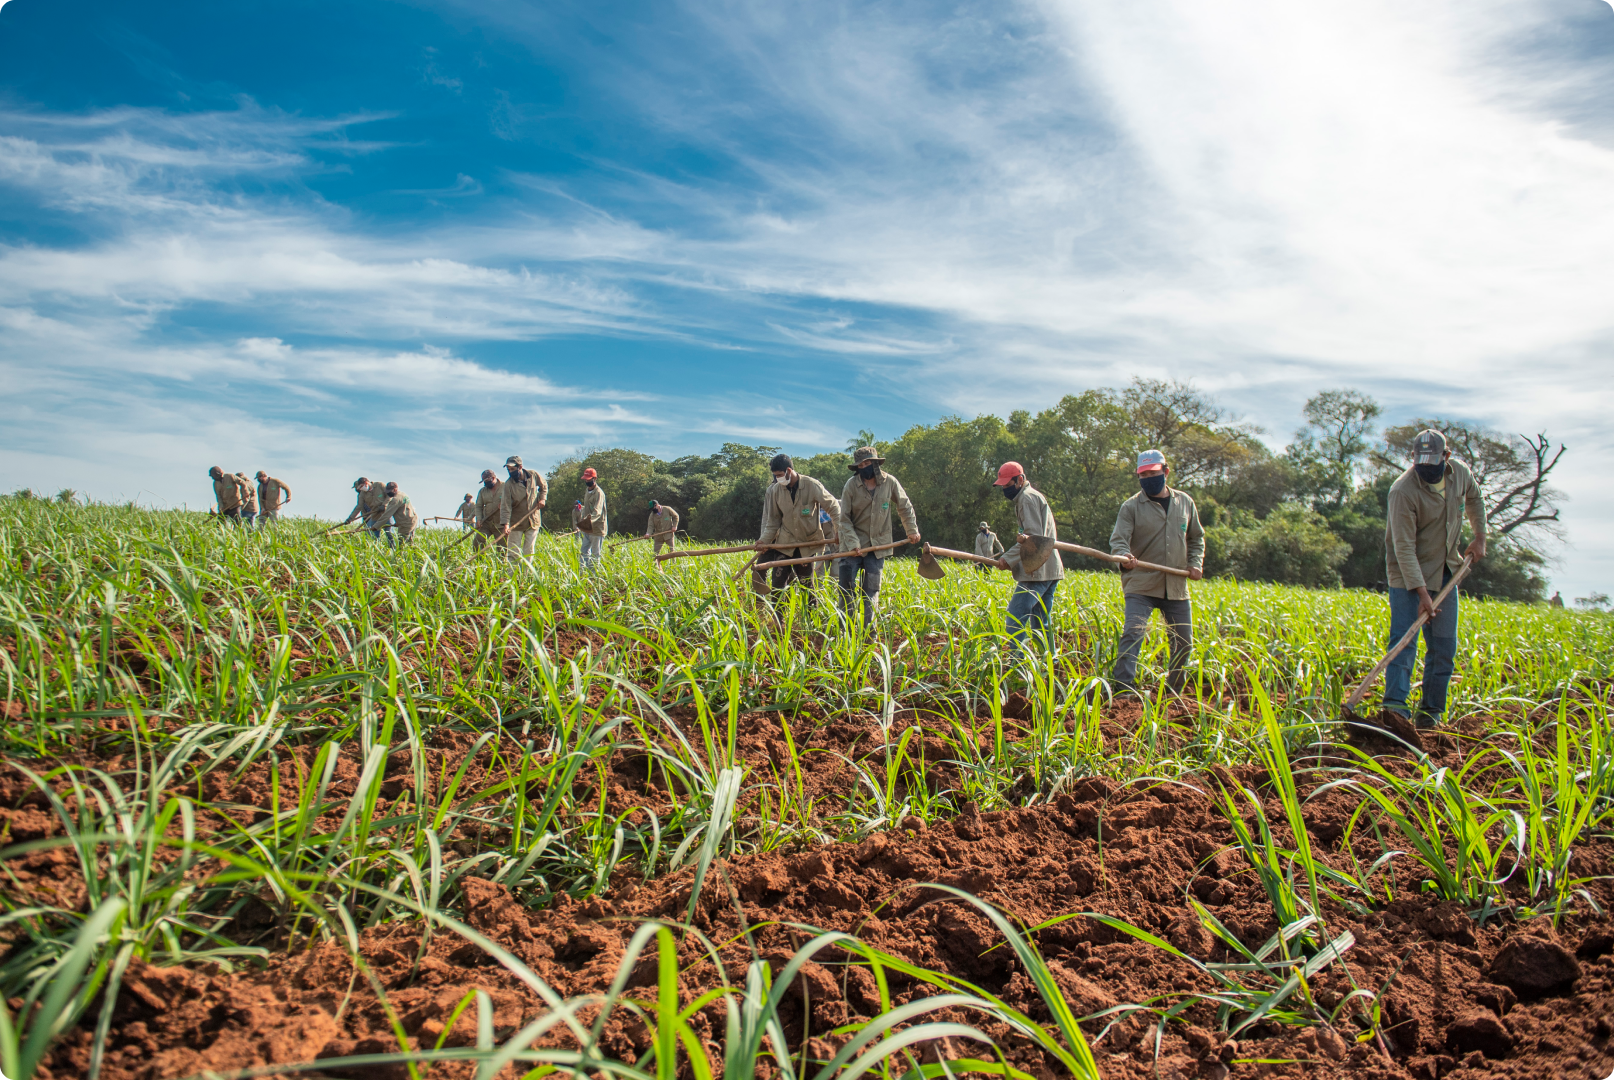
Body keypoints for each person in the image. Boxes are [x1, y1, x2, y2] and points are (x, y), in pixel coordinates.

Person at [1382, 429, 1486, 729]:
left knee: (1443, 647)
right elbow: (1403, 547)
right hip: (1407, 576)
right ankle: (1395, 711)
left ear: (1446, 457)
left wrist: (1480, 537)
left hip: (1445, 570)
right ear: (1414, 460)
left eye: (1433, 465)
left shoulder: (1460, 474)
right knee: (1404, 641)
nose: (1427, 471)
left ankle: (1430, 714)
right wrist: (1421, 592)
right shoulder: (1402, 491)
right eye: (1421, 465)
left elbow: (1475, 499)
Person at [1108, 449, 1205, 695]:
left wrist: (1195, 563)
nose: (1148, 478)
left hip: (1175, 585)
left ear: (1166, 471)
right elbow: (1119, 540)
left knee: (1183, 641)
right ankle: (1124, 689)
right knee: (1134, 631)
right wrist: (1124, 556)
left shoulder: (1185, 502)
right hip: (1141, 583)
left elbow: (1196, 538)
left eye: (1153, 473)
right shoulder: (1131, 507)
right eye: (1143, 475)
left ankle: (1172, 693)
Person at [837, 447, 920, 625]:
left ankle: (869, 634)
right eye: (860, 465)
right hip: (852, 547)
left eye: (867, 463)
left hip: (877, 546)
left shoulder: (890, 482)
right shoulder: (851, 486)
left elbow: (904, 506)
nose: (864, 467)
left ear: (875, 463)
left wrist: (911, 530)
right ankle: (845, 634)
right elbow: (843, 519)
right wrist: (853, 543)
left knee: (872, 591)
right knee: (846, 590)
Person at [994, 462, 1064, 648]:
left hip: (1037, 570)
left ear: (1021, 480)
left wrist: (1007, 559)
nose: (1006, 490)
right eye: (1003, 487)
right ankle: (1048, 663)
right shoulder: (1030, 497)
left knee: (1014, 619)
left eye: (1008, 485)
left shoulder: (1027, 498)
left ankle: (1017, 666)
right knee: (1041, 623)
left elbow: (1033, 539)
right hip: (1049, 568)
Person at [755, 453, 841, 603]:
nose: (777, 479)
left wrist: (838, 530)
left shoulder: (811, 485)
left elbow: (833, 507)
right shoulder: (776, 491)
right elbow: (773, 522)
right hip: (785, 544)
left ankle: (811, 619)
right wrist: (763, 541)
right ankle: (778, 621)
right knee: (778, 586)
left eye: (780, 475)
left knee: (806, 586)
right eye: (775, 476)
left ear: (789, 470)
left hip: (806, 545)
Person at [499, 455, 548, 564]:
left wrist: (542, 499)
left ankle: (525, 577)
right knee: (513, 552)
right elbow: (505, 505)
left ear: (520, 467)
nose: (510, 472)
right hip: (516, 521)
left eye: (512, 469)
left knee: (529, 551)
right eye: (508, 470)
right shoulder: (508, 484)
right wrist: (506, 524)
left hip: (533, 519)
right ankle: (513, 577)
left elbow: (544, 486)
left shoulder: (533, 475)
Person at [577, 468, 608, 568]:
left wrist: (587, 521)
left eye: (589, 479)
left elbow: (597, 511)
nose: (587, 481)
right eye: (585, 479)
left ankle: (594, 577)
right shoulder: (587, 490)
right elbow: (586, 507)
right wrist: (582, 519)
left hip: (597, 528)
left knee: (595, 554)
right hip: (587, 528)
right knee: (584, 551)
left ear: (594, 479)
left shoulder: (599, 493)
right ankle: (582, 573)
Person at [375, 482, 420, 548]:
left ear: (395, 489)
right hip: (412, 520)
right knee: (410, 543)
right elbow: (403, 510)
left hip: (406, 524)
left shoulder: (395, 500)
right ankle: (413, 556)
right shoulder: (403, 494)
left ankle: (400, 557)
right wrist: (398, 522)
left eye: (390, 491)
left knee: (401, 545)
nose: (388, 493)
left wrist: (376, 526)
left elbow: (387, 515)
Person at [472, 470, 502, 550]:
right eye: (484, 482)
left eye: (487, 481)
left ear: (493, 478)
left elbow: (513, 501)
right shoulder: (483, 491)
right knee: (478, 542)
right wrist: (478, 519)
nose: (485, 484)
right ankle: (479, 561)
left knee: (502, 548)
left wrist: (505, 504)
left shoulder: (505, 487)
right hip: (486, 522)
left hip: (501, 523)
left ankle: (501, 562)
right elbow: (478, 506)